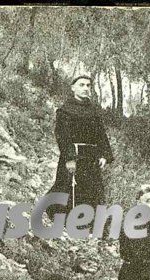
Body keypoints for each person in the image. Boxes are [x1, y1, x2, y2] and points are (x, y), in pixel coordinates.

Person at [46, 75, 114, 215]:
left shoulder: (94, 110)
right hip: (74, 155)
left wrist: (104, 155)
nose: (85, 88)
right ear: (73, 88)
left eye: (88, 85)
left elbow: (101, 134)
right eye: (81, 85)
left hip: (91, 158)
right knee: (67, 186)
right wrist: (70, 158)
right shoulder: (65, 110)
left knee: (90, 189)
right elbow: (63, 136)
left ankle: (86, 221)